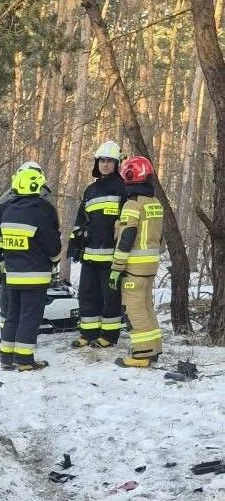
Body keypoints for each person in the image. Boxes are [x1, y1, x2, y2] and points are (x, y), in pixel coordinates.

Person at [0, 166, 62, 371]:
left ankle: (6, 356)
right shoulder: (40, 211)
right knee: (29, 317)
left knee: (12, 316)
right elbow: (52, 246)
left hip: (13, 275)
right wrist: (56, 258)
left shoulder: (7, 210)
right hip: (35, 276)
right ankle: (24, 359)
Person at [68, 141, 125, 348]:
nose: (105, 165)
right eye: (102, 160)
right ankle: (87, 333)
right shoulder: (91, 190)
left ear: (117, 163)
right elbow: (80, 219)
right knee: (87, 295)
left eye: (110, 161)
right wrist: (74, 244)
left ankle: (109, 336)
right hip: (90, 255)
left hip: (112, 256)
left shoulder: (123, 188)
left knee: (110, 297)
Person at [110, 156, 164, 368]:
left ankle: (142, 354)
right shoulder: (155, 203)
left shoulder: (132, 204)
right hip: (151, 265)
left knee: (134, 309)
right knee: (146, 306)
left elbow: (126, 237)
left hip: (135, 266)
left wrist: (116, 268)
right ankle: (154, 347)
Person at [0, 161, 43, 333]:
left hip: (27, 267)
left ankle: (17, 343)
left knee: (24, 311)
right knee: (8, 309)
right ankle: (8, 342)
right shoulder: (4, 208)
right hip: (10, 266)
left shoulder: (40, 208)